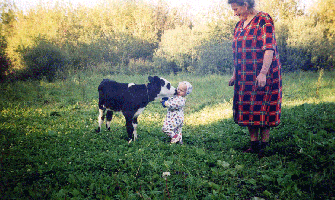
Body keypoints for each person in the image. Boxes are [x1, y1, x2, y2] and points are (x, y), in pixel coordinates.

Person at [228, 0, 282, 157]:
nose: (235, 13)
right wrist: (234, 73)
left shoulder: (263, 19)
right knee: (249, 109)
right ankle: (254, 144)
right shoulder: (239, 26)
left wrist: (263, 72)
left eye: (236, 9)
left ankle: (265, 145)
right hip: (244, 75)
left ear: (245, 4)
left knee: (264, 107)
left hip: (264, 73)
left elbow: (269, 48)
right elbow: (237, 53)